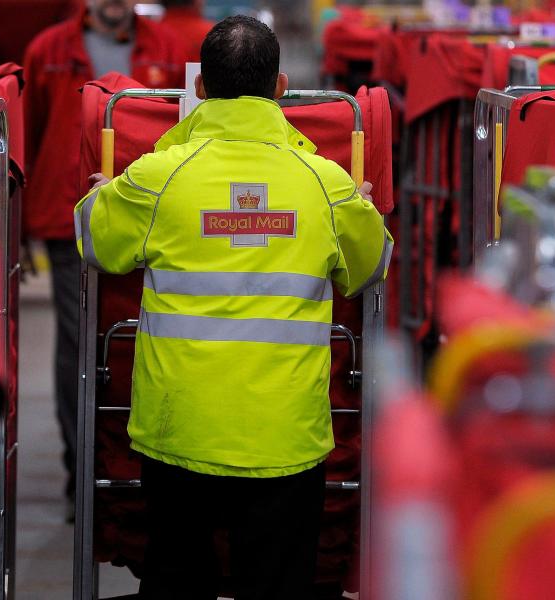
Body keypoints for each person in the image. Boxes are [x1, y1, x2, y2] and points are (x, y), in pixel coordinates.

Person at [75, 15, 391, 599]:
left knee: (176, 581)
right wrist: (363, 209)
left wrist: (101, 193)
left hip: (179, 430)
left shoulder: (154, 178)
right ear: (280, 87)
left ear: (200, 89)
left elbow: (96, 245)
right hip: (286, 437)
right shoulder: (329, 184)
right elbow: (370, 268)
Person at [22, 0, 185, 518]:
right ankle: (82, 472)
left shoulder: (166, 47)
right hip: (64, 215)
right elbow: (28, 135)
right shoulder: (47, 51)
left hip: (150, 213)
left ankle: (133, 467)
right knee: (77, 342)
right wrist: (22, 220)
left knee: (141, 339)